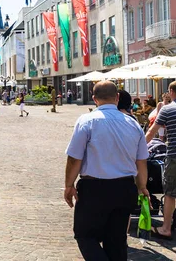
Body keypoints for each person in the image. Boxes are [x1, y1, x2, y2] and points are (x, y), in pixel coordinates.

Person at [65, 81, 149, 260]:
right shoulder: (133, 124)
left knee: (85, 235)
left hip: (94, 188)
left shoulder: (86, 121)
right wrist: (142, 186)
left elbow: (74, 158)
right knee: (117, 240)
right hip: (125, 188)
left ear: (94, 99)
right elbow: (141, 161)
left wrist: (68, 184)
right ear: (117, 98)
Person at [145, 80, 176, 240]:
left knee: (169, 192)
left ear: (171, 91)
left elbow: (152, 132)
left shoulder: (167, 109)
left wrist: (140, 147)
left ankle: (166, 228)